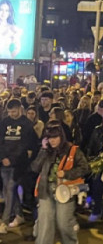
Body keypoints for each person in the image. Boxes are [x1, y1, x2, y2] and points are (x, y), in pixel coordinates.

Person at [31, 121, 89, 244]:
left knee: (64, 223)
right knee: (45, 224)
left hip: (64, 191)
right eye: (49, 138)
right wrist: (43, 150)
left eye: (55, 137)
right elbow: (35, 167)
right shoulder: (46, 151)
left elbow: (85, 168)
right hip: (46, 189)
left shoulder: (72, 150)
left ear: (61, 137)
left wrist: (66, 173)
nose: (52, 141)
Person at [0, 98, 39, 233]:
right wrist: (3, 157)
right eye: (10, 112)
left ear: (20, 109)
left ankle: (4, 222)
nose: (12, 114)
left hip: (19, 164)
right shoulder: (4, 122)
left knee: (10, 189)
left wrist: (12, 159)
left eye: (14, 111)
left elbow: (26, 145)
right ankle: (19, 215)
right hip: (4, 163)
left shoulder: (27, 124)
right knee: (8, 191)